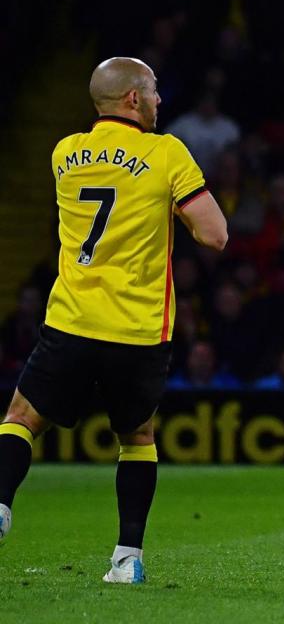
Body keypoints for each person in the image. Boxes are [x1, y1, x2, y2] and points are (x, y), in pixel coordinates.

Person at [0, 57, 228, 584]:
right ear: (133, 99)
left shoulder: (65, 153)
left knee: (22, 416)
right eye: (152, 92)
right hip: (138, 329)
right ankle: (126, 559)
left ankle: (2, 505)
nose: (159, 101)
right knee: (138, 437)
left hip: (72, 321)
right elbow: (214, 234)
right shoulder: (166, 152)